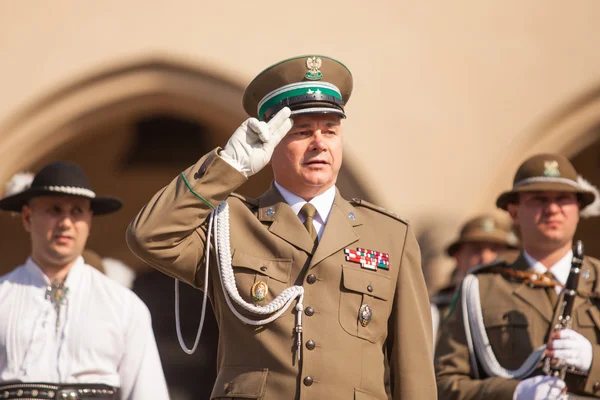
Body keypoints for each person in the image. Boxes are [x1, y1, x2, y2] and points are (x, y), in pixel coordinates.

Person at [127, 55, 436, 399]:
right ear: (271, 143)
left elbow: (414, 371)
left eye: (330, 131)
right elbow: (149, 236)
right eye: (303, 132)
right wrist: (228, 167)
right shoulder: (230, 224)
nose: (319, 143)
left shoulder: (390, 236)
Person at [435, 153, 600, 399]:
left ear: (578, 209)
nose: (552, 209)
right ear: (513, 212)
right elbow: (443, 384)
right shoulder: (480, 288)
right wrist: (514, 393)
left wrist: (593, 362)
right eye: (539, 199)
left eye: (563, 199)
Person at [0, 161, 169, 400]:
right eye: (55, 210)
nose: (66, 223)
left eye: (77, 211)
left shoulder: (124, 307)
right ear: (27, 217)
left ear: (89, 220)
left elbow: (147, 394)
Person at [430, 214, 519, 342]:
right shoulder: (435, 308)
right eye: (476, 250)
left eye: (495, 249)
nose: (486, 258)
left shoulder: (523, 302)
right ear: (458, 257)